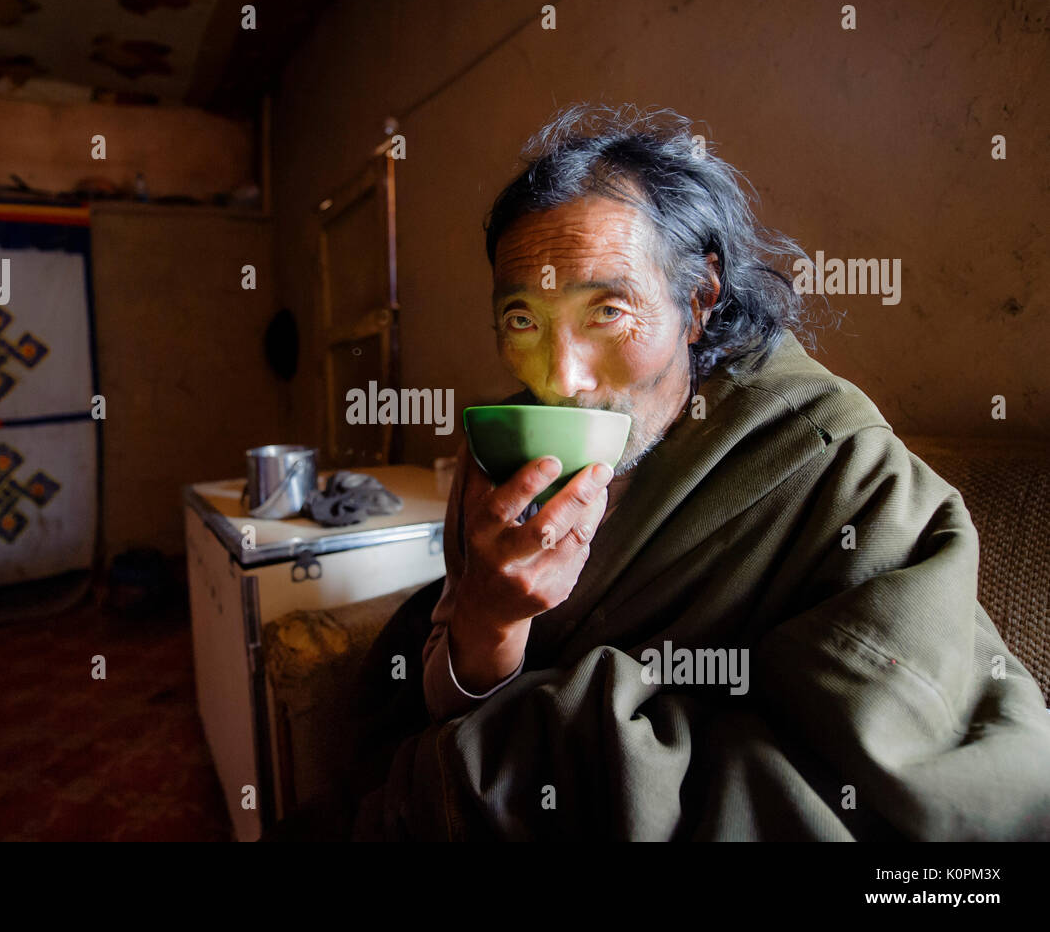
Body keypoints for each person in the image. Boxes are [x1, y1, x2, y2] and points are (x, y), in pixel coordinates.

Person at [320, 103, 1050, 842]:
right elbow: (445, 696)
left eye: (606, 310)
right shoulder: (499, 453)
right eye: (523, 320)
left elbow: (879, 762)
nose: (560, 377)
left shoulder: (826, 458)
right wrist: (491, 617)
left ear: (698, 300)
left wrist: (551, 753)